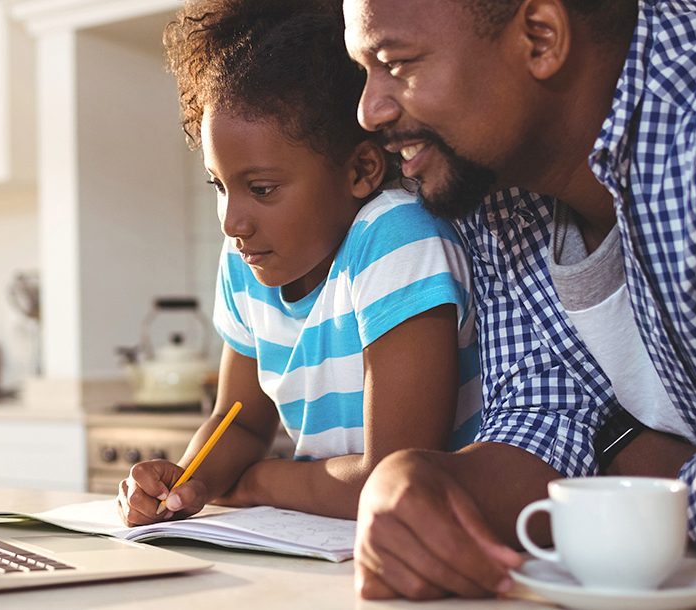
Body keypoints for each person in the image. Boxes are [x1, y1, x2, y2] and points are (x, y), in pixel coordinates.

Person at [343, 0, 696, 599]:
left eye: (396, 62)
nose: (369, 110)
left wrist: (620, 463)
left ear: (540, 37)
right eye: (364, 70)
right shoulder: (498, 184)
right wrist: (415, 480)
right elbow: (542, 421)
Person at [116, 0, 483, 525]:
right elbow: (236, 424)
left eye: (261, 189)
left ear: (360, 170)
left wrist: (261, 480)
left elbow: (395, 477)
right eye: (219, 186)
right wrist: (188, 480)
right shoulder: (247, 264)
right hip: (330, 534)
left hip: (435, 535)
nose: (232, 222)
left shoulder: (396, 238)